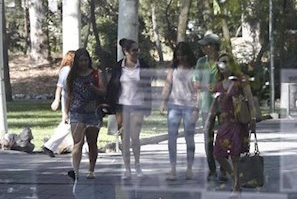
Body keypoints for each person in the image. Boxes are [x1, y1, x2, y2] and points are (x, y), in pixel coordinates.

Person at [209, 53, 257, 195]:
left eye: (226, 62)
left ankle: (236, 187)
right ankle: (235, 177)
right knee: (218, 153)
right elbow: (215, 104)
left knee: (235, 155)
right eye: (220, 62)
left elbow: (250, 100)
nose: (223, 65)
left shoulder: (240, 81)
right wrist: (209, 119)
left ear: (231, 64)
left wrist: (253, 118)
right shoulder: (218, 85)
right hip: (224, 123)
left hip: (237, 122)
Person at [105, 38, 153, 180]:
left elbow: (148, 87)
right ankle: (127, 168)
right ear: (126, 52)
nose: (136, 53)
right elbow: (112, 87)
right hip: (122, 105)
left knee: (135, 137)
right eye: (133, 50)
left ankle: (137, 165)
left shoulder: (142, 66)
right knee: (124, 138)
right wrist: (108, 105)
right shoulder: (119, 67)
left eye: (138, 50)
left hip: (138, 105)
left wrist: (148, 107)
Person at [64, 48, 106, 180]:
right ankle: (75, 171)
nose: (83, 63)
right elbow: (69, 94)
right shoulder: (72, 75)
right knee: (77, 142)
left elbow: (104, 91)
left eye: (85, 60)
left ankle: (91, 169)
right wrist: (65, 112)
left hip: (92, 112)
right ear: (76, 61)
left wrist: (94, 88)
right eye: (80, 60)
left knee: (92, 142)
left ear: (89, 60)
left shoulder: (96, 74)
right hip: (76, 112)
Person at [160, 42, 199, 180]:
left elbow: (197, 91)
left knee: (189, 138)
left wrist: (196, 108)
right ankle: (173, 169)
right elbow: (167, 85)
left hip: (189, 107)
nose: (182, 58)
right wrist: (163, 102)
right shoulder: (173, 70)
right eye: (179, 55)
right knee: (171, 138)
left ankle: (189, 168)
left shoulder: (194, 70)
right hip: (174, 106)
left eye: (184, 55)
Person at [194, 32, 226, 182]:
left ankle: (224, 169)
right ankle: (212, 169)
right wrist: (208, 87)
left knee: (225, 138)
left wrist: (219, 86)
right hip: (207, 106)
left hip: (225, 106)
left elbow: (233, 79)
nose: (203, 49)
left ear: (213, 47)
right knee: (208, 137)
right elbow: (195, 83)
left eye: (205, 46)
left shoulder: (224, 60)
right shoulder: (201, 62)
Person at [43, 50, 75, 157]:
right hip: (68, 99)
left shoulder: (71, 70)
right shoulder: (66, 70)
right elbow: (59, 87)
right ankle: (49, 145)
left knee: (70, 124)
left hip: (71, 98)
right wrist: (57, 100)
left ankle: (50, 146)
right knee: (67, 123)